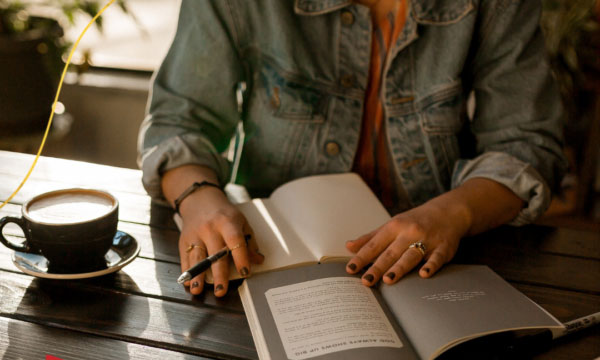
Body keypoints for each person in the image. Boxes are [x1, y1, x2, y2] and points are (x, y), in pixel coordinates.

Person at [138, 0, 566, 297]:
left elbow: (525, 144)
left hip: (438, 262)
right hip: (270, 256)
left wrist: (451, 214)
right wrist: (201, 201)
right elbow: (181, 117)